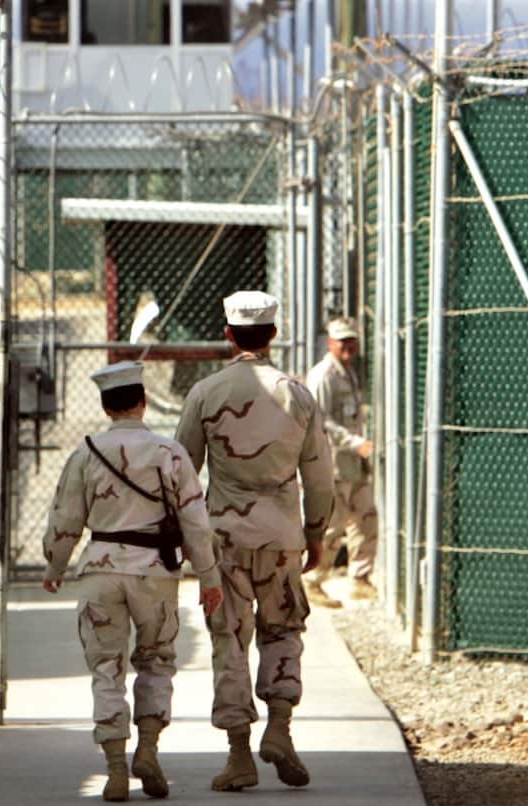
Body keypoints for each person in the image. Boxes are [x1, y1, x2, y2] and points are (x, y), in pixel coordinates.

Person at [174, 291, 334, 793]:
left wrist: (187, 542)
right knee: (284, 630)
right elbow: (321, 476)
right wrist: (316, 532)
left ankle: (239, 754)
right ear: (274, 334)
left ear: (227, 334)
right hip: (283, 535)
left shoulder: (206, 392)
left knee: (229, 638)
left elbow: (182, 472)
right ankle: (281, 728)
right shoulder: (297, 393)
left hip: (223, 538)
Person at [43, 361, 223, 802]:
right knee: (157, 661)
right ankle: (148, 748)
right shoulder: (171, 453)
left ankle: (116, 769)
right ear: (142, 402)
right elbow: (196, 523)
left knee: (107, 669)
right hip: (155, 572)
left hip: (101, 571)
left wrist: (55, 567)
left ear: (106, 407)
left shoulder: (85, 452)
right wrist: (208, 576)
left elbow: (66, 520)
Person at [304, 317, 379, 606]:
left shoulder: (347, 371)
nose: (348, 346)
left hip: (353, 464)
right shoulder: (324, 376)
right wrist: (355, 442)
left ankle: (360, 578)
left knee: (366, 518)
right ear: (330, 343)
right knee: (333, 527)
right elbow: (321, 421)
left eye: (352, 340)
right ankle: (312, 580)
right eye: (342, 341)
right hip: (334, 463)